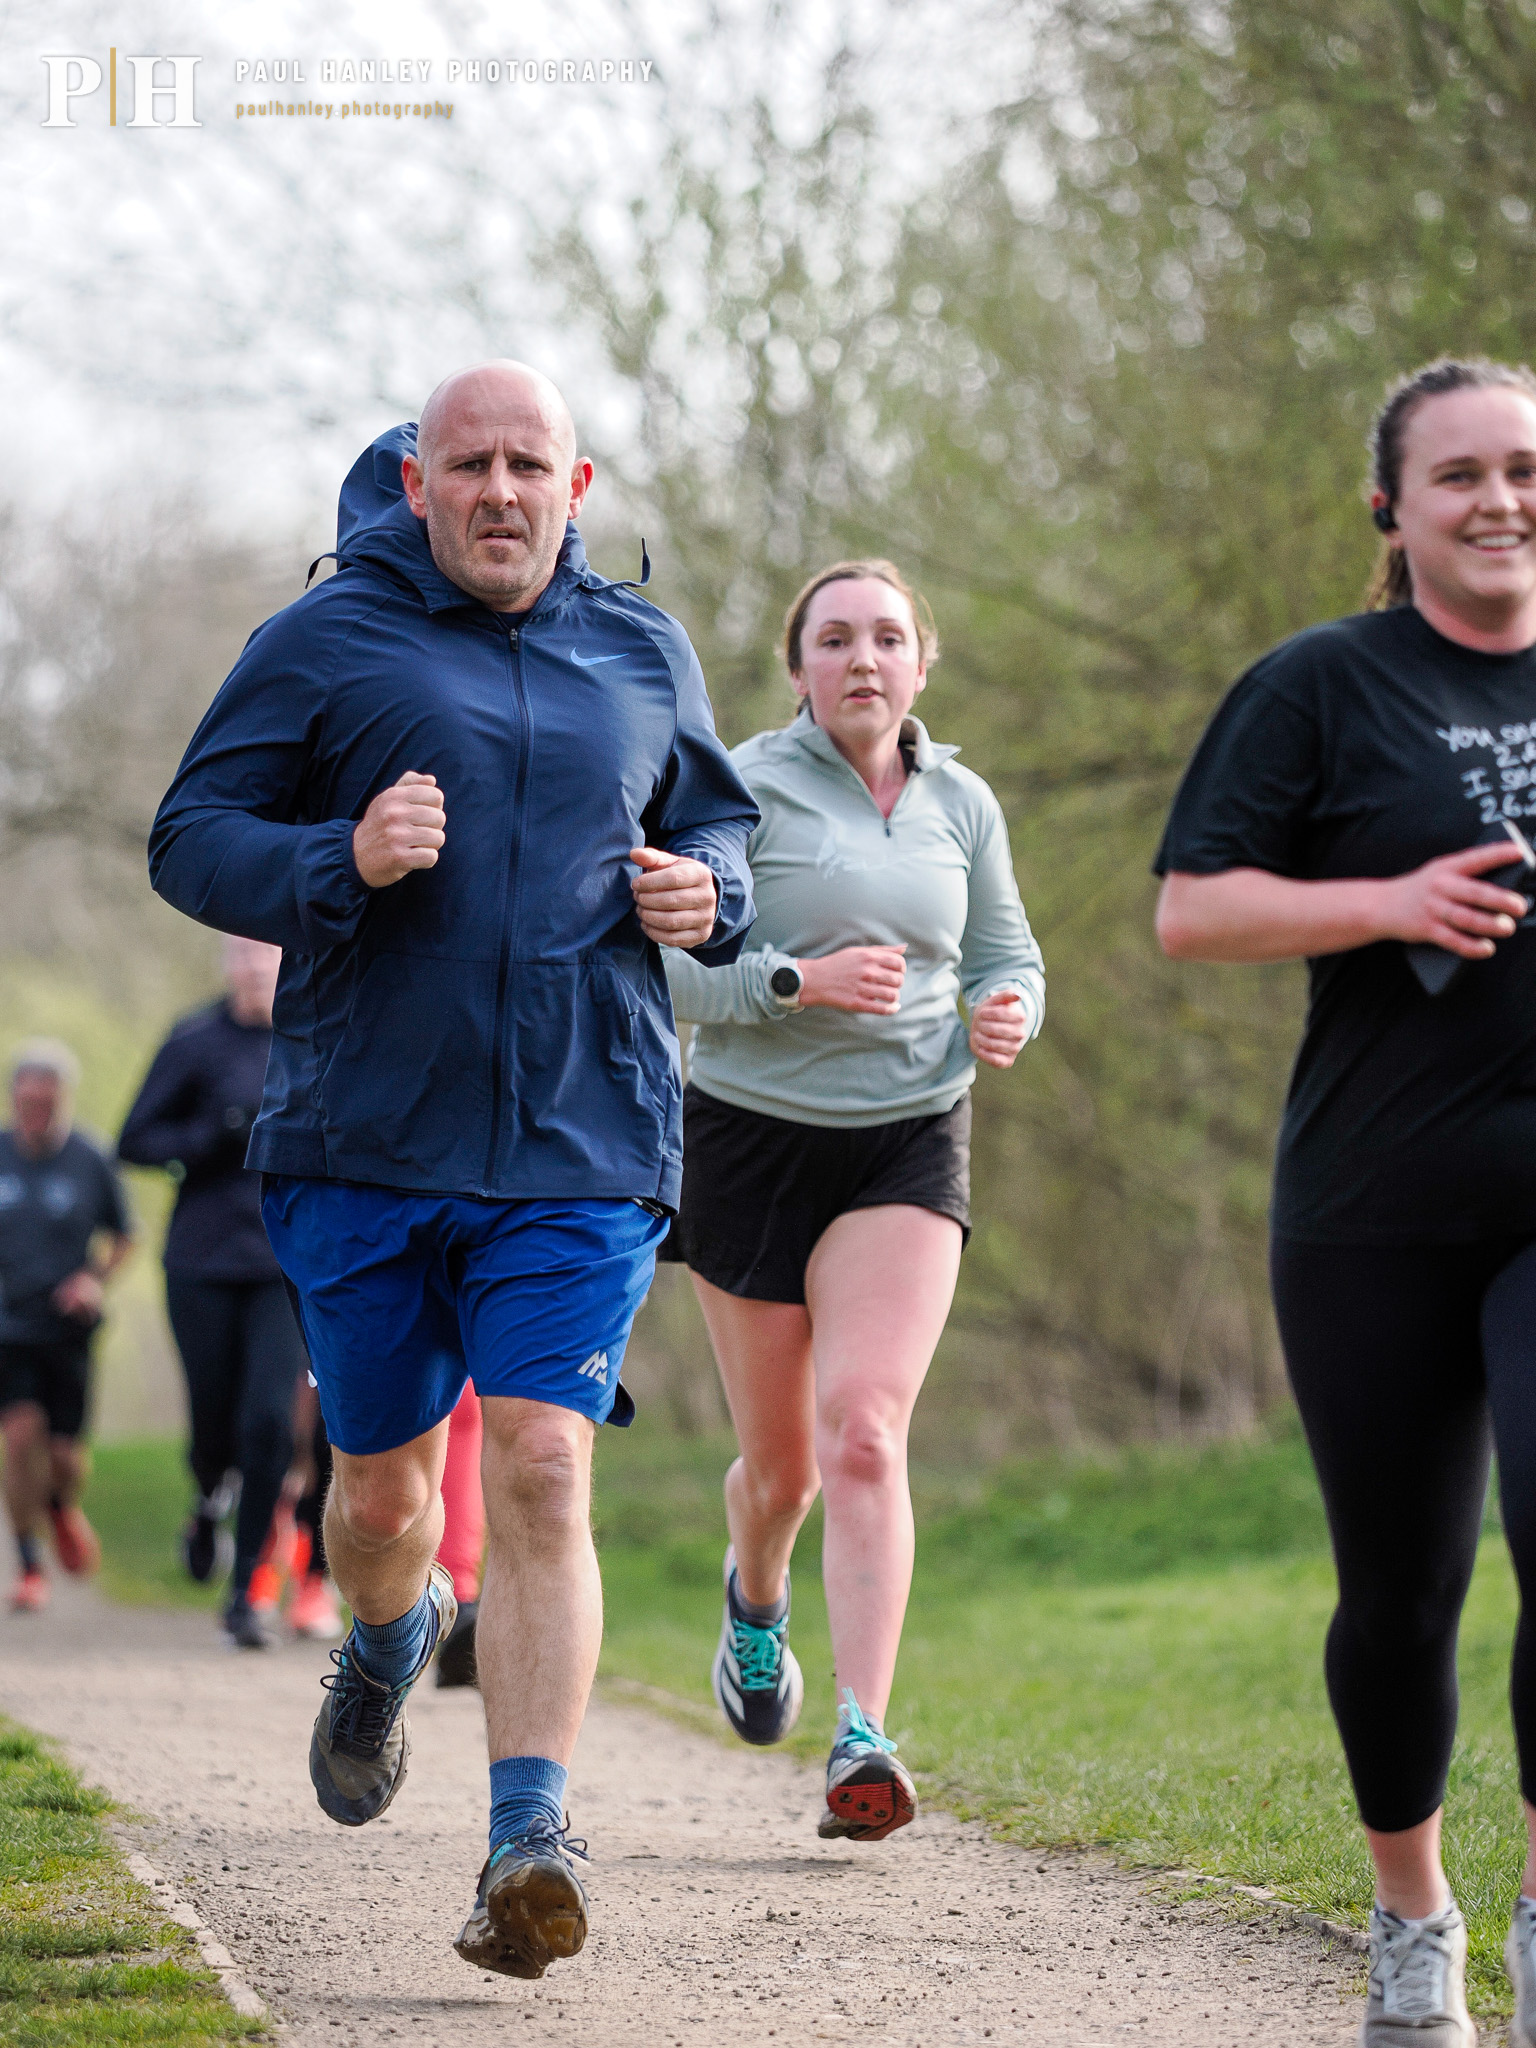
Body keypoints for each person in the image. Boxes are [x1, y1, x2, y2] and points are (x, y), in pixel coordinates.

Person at [147, 361, 757, 1980]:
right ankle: (386, 1629)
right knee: (380, 1493)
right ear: (417, 482)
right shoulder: (326, 639)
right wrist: (331, 857)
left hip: (580, 1133)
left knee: (547, 1466)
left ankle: (529, 1837)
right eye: (468, 462)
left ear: (581, 480)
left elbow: (724, 831)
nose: (501, 488)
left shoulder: (640, 648)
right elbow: (189, 834)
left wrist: (713, 892)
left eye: (529, 463)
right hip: (361, 1140)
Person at [1154, 358, 1536, 2048]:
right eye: (1458, 475)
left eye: (1522, 469)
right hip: (1374, 1201)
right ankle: (1414, 1919)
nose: (1499, 500)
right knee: (1401, 1589)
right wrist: (1385, 897)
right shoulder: (1319, 684)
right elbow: (1189, 910)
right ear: (1392, 507)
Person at [661, 558, 1043, 1841]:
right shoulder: (741, 785)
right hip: (752, 1142)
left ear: (922, 662)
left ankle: (864, 1732)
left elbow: (1007, 952)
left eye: (888, 637)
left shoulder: (962, 800)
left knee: (867, 1429)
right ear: (798, 666)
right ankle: (756, 1603)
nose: (863, 659)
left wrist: (1010, 1010)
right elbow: (668, 976)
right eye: (836, 639)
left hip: (909, 1141)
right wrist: (795, 985)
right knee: (782, 1470)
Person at [118, 936, 310, 1649]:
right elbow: (132, 1140)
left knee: (267, 1424)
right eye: (245, 962)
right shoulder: (194, 1039)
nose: (257, 974)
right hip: (200, 1261)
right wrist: (212, 1136)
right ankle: (206, 1500)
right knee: (213, 1421)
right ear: (229, 968)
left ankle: (243, 1593)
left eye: (269, 961)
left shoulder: (309, 1030)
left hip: (281, 1261)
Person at [0, 1040, 133, 1611]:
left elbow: (125, 1235)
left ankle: (60, 1506)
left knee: (63, 1457)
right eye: (26, 1101)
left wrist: (93, 1281)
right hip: (7, 1326)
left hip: (68, 1329)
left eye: (47, 1103)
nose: (36, 1113)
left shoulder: (90, 1158)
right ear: (13, 1099)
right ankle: (29, 1566)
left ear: (63, 1102)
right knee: (19, 1437)